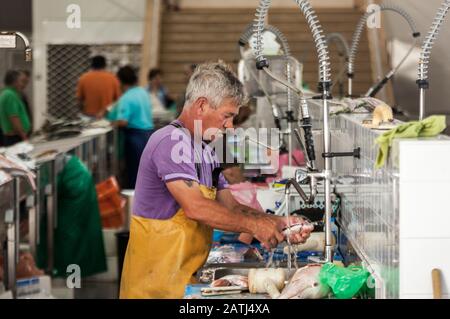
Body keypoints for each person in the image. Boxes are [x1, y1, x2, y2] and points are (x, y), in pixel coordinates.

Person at [119, 62, 313, 299]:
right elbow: (195, 207)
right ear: (201, 105)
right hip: (155, 287)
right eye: (227, 116)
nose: (230, 126)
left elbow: (230, 206)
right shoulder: (169, 142)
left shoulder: (206, 149)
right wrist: (255, 227)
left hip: (185, 282)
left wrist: (277, 222)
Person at [113, 65, 154, 189]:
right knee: (146, 172)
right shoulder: (143, 92)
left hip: (135, 137)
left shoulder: (126, 98)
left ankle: (133, 203)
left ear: (120, 81)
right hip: (149, 135)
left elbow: (123, 122)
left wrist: (111, 123)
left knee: (134, 173)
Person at [0, 70, 31, 146]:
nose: (22, 84)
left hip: (14, 136)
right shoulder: (10, 95)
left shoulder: (6, 93)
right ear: (15, 82)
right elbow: (13, 117)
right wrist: (23, 136)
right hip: (15, 137)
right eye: (21, 81)